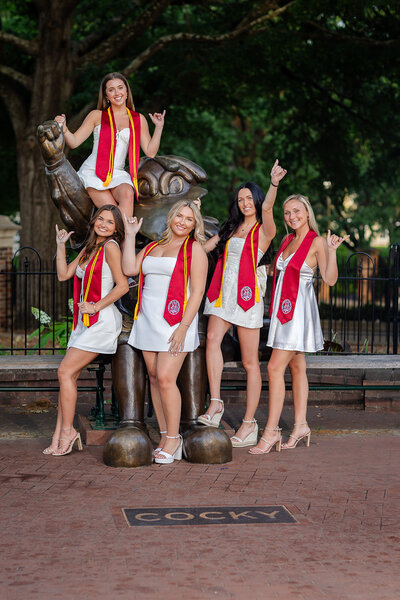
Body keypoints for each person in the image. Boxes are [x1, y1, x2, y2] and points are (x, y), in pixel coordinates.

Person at [249, 194, 349, 455]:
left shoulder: (316, 241)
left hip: (298, 314)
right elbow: (280, 274)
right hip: (284, 311)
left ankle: (271, 431)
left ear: (307, 212)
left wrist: (333, 251)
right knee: (297, 367)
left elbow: (329, 280)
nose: (292, 216)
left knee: (273, 367)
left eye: (297, 211)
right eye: (288, 213)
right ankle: (301, 425)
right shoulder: (287, 240)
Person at [198, 160, 287, 447]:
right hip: (222, 295)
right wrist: (194, 216)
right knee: (211, 339)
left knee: (250, 362)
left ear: (257, 200)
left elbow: (269, 209)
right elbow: (203, 248)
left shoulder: (264, 230)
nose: (245, 202)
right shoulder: (230, 229)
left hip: (247, 299)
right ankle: (215, 403)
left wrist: (273, 184)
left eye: (249, 198)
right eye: (241, 199)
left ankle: (249, 424)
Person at [122, 201, 208, 464]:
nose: (182, 222)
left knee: (167, 378)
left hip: (175, 322)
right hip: (148, 319)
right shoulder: (152, 246)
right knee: (154, 377)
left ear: (195, 225)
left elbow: (197, 292)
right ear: (171, 218)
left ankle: (174, 437)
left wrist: (183, 327)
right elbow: (129, 270)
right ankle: (163, 434)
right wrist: (129, 235)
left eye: (189, 219)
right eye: (179, 216)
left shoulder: (195, 250)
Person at [43, 205, 129, 456]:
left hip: (101, 322)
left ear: (116, 228)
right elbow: (63, 275)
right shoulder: (90, 249)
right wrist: (60, 246)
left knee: (65, 372)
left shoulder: (111, 247)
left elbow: (122, 286)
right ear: (93, 222)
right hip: (85, 323)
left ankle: (68, 432)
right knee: (66, 377)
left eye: (110, 222)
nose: (103, 224)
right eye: (100, 219)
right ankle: (59, 435)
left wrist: (95, 306)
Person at [55, 72, 166, 217]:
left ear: (127, 92)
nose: (117, 93)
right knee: (113, 214)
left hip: (118, 174)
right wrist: (64, 128)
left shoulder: (138, 119)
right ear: (106, 95)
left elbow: (150, 152)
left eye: (120, 88)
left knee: (127, 193)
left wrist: (159, 127)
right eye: (111, 89)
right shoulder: (96, 115)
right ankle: (122, 237)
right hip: (93, 172)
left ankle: (127, 237)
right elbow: (74, 142)